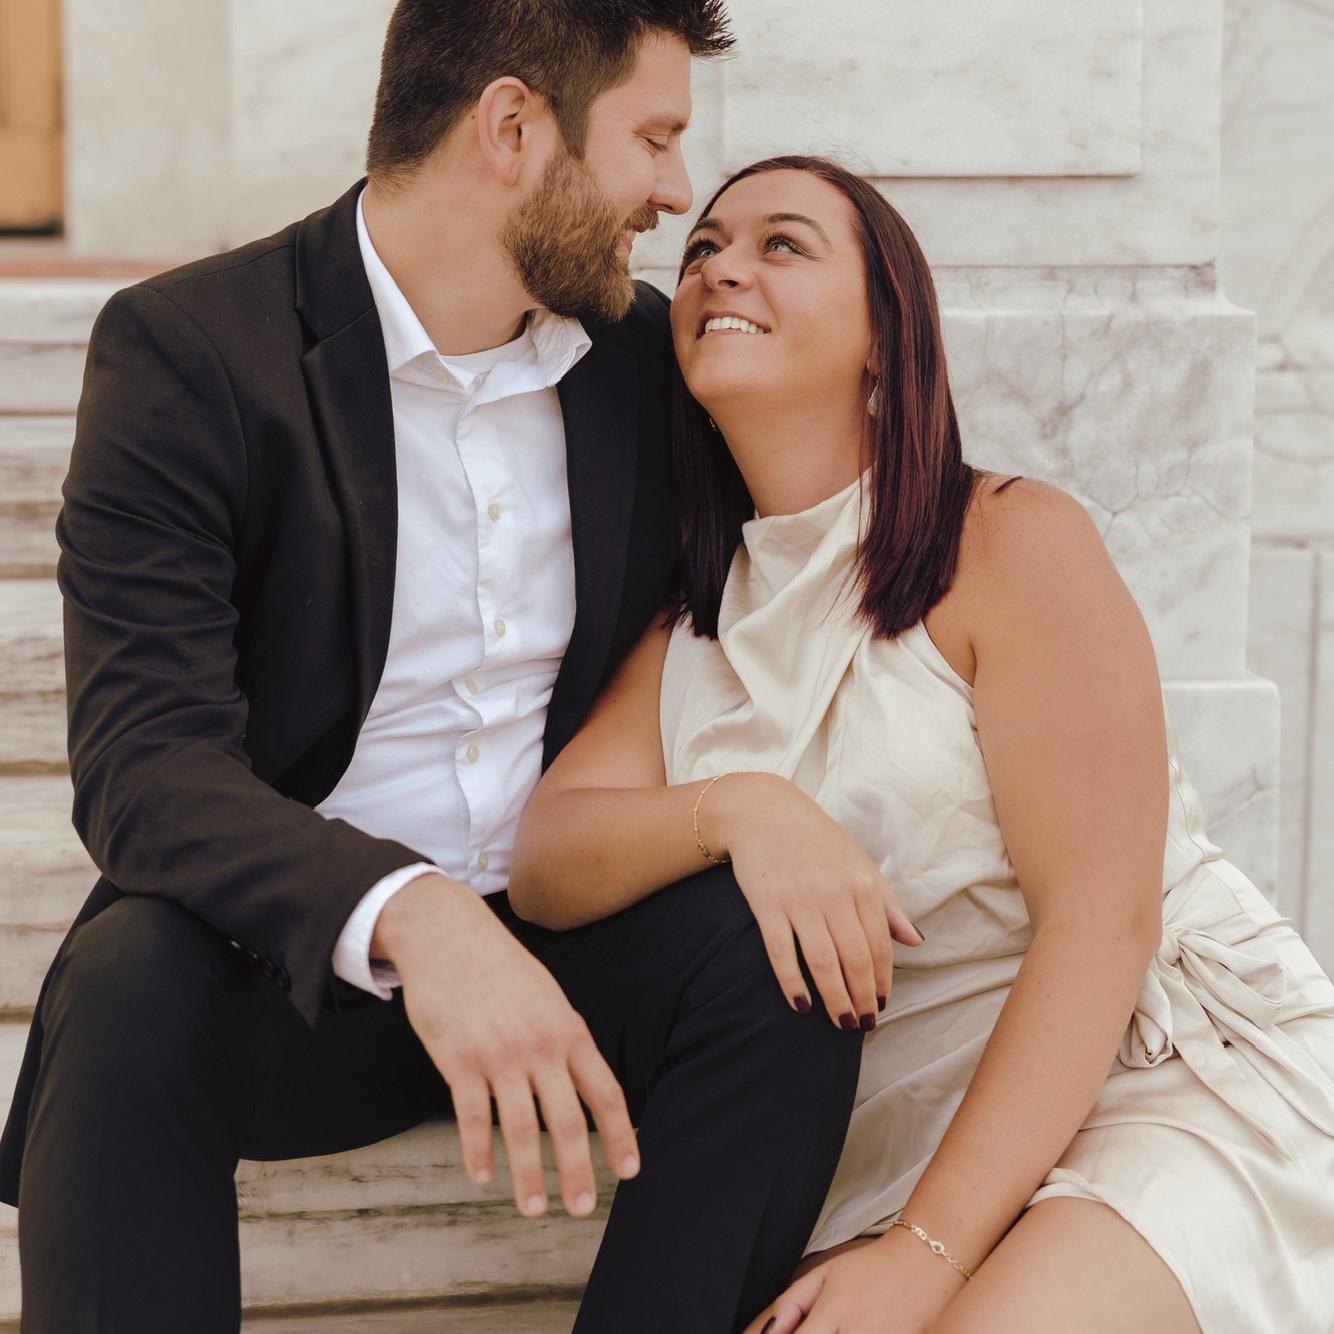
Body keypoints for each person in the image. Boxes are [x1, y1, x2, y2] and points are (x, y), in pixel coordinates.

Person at [0, 9, 883, 1332]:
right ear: (512, 129)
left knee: (783, 969)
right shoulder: (193, 350)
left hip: (567, 941)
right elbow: (144, 767)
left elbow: (825, 505)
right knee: (125, 979)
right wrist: (412, 910)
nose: (673, 190)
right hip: (297, 964)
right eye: (651, 137)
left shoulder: (641, 361)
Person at [507, 155, 1334, 1334]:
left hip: (1154, 1080)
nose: (719, 268)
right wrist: (741, 808)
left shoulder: (1006, 541)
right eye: (700, 249)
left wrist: (921, 1253)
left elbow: (1102, 924)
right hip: (894, 1141)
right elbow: (547, 856)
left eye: (780, 244)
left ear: (883, 339)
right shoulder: (692, 624)